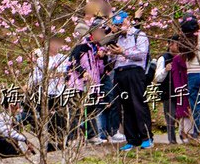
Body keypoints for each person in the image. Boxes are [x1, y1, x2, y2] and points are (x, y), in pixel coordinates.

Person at [106, 11, 153, 150]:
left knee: (138, 104)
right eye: (118, 25)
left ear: (129, 20)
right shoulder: (117, 39)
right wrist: (111, 53)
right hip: (120, 73)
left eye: (122, 23)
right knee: (125, 106)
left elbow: (142, 54)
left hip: (135, 72)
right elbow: (111, 60)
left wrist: (123, 52)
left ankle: (146, 137)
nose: (121, 26)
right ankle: (131, 138)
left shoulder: (139, 35)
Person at [67, 19, 109, 144]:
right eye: (101, 32)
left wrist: (102, 58)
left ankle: (91, 136)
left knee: (91, 110)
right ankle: (73, 138)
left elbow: (102, 70)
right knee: (75, 111)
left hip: (93, 84)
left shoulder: (97, 48)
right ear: (94, 32)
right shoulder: (82, 45)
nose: (102, 35)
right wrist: (82, 72)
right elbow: (72, 62)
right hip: (78, 84)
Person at [157, 36, 180, 144]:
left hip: (181, 91)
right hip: (168, 91)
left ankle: (184, 137)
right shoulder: (163, 58)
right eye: (177, 43)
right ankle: (172, 140)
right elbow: (157, 78)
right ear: (170, 44)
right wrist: (165, 70)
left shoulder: (184, 57)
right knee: (170, 116)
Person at [170, 37, 191, 142]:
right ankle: (187, 134)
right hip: (188, 88)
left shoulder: (177, 59)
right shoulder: (186, 58)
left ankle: (185, 134)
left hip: (184, 88)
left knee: (185, 111)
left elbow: (175, 78)